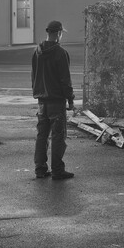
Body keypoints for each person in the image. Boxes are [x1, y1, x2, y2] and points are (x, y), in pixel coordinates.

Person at [32, 20, 75, 180]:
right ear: (58, 33)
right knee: (58, 136)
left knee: (42, 136)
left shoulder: (37, 52)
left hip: (41, 102)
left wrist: (37, 93)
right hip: (56, 102)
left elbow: (34, 76)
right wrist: (70, 100)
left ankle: (40, 169)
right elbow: (65, 80)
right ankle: (57, 170)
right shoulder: (60, 53)